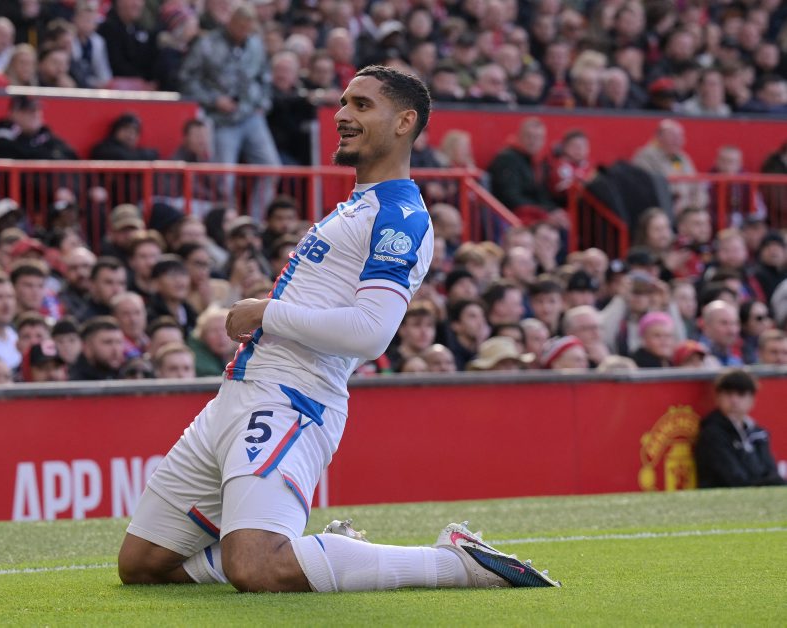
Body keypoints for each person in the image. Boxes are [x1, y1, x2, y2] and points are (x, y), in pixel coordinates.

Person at [118, 66, 558, 593]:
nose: (343, 115)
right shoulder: (357, 206)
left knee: (255, 567)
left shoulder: (400, 216)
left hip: (291, 399)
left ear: (405, 122)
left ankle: (456, 562)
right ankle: (330, 553)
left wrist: (266, 313)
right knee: (142, 565)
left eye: (362, 105)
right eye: (344, 103)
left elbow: (372, 333)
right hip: (235, 395)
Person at [178, 2, 281, 220]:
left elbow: (265, 77)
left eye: (248, 28)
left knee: (272, 168)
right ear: (230, 22)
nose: (244, 32)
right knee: (224, 179)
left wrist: (263, 103)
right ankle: (227, 222)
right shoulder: (207, 43)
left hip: (252, 115)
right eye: (240, 27)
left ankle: (257, 220)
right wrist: (214, 100)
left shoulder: (256, 44)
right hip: (221, 119)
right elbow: (186, 78)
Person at [694, 369, 785, 488]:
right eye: (728, 394)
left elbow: (771, 471)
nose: (734, 400)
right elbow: (734, 479)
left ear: (752, 399)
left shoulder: (759, 432)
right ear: (718, 398)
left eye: (741, 394)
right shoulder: (712, 434)